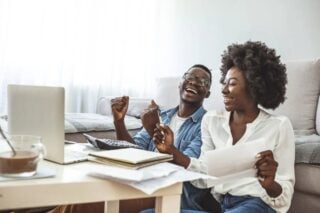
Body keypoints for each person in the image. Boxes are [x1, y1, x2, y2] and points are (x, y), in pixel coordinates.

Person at [152, 41, 295, 213]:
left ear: (254, 86)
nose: (224, 90)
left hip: (258, 205)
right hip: (221, 206)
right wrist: (171, 151)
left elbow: (284, 197)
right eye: (224, 83)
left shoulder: (279, 126)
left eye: (232, 83)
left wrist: (270, 184)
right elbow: (204, 178)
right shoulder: (212, 120)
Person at [111, 64, 220, 212]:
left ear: (207, 93)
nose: (194, 82)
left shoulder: (206, 124)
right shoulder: (162, 115)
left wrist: (153, 131)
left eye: (202, 82)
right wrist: (119, 122)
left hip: (172, 196)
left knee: (87, 204)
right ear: (180, 82)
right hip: (140, 185)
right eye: (190, 77)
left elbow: (186, 172)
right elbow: (132, 151)